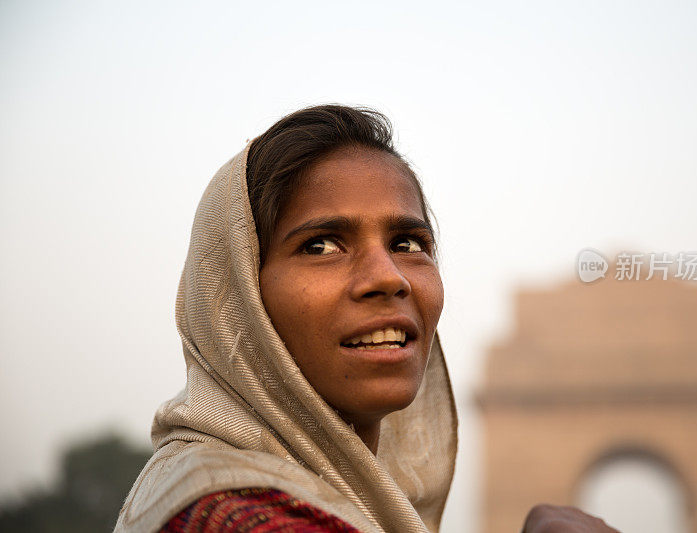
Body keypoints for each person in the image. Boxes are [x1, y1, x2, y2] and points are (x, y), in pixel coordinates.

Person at [115, 105, 617, 533]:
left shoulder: (236, 490)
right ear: (236, 303)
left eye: (408, 243)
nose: (389, 276)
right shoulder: (236, 514)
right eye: (321, 245)